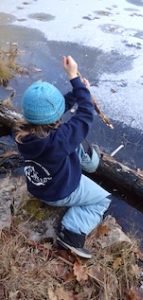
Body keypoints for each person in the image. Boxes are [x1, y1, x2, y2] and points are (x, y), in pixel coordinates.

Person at [15, 55, 111, 258]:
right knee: (103, 200)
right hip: (59, 192)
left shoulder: (21, 133)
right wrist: (75, 78)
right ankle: (72, 233)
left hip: (37, 186)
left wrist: (78, 91)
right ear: (55, 117)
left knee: (75, 146)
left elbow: (56, 110)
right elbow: (85, 115)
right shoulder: (60, 140)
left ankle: (85, 170)